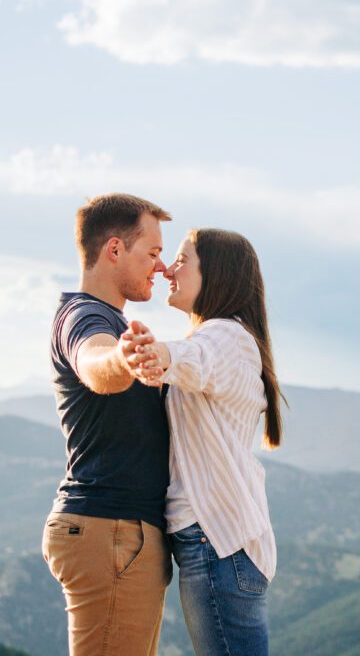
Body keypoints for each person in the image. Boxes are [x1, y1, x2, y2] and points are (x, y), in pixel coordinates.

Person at [122, 228, 285, 656]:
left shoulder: (224, 337)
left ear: (216, 273)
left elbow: (195, 360)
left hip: (216, 541)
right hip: (222, 543)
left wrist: (154, 353)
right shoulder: (231, 336)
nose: (165, 268)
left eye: (181, 259)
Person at [42, 193, 174, 656]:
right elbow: (95, 362)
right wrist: (122, 358)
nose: (159, 267)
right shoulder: (85, 318)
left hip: (115, 532)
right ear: (115, 249)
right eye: (153, 253)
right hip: (111, 531)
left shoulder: (108, 317)